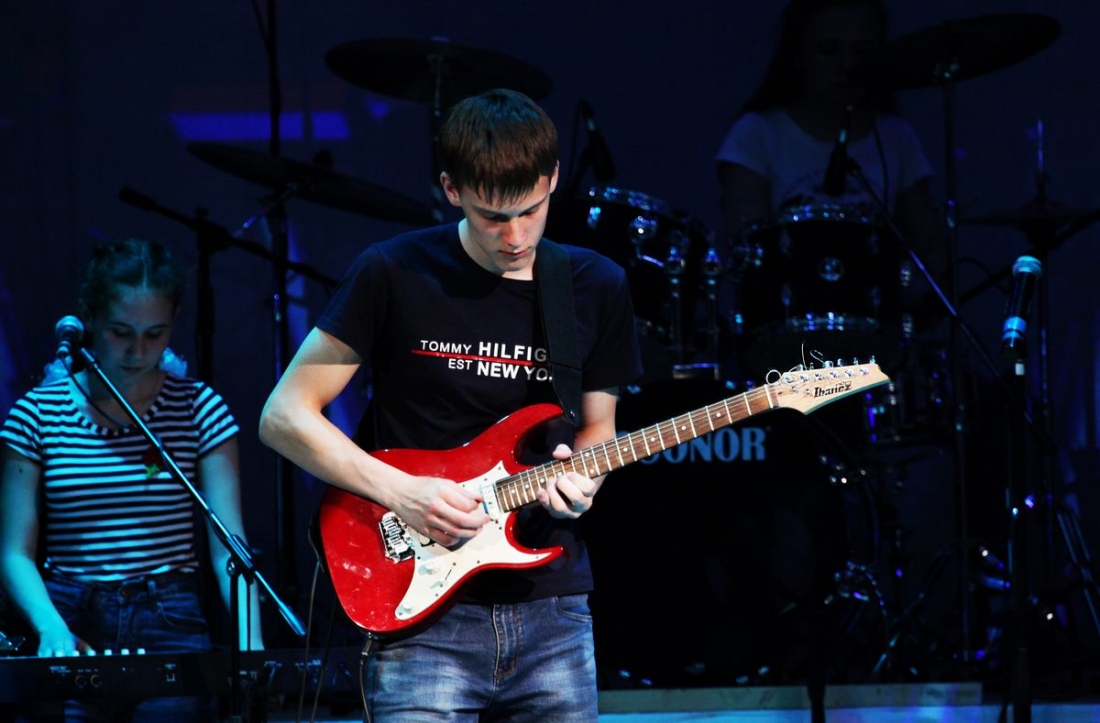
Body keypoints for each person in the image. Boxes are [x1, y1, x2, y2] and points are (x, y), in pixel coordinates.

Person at [259, 88, 643, 721]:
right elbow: (284, 416)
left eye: (531, 210)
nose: (515, 236)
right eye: (493, 217)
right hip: (420, 611)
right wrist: (402, 492)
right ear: (451, 189)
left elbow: (599, 428)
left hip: (551, 609)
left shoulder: (595, 285)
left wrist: (584, 483)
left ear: (553, 179)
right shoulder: (393, 271)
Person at [0, 237, 264, 721]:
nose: (137, 351)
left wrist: (252, 646)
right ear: (90, 319)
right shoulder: (37, 414)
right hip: (70, 615)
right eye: (120, 332)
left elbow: (230, 550)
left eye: (155, 334)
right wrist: (49, 627)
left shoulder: (199, 409)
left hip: (169, 616)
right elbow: (13, 552)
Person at [715, 0, 948, 381]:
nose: (846, 65)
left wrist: (918, 298)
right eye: (829, 50)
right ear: (798, 55)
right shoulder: (757, 134)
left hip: (877, 349)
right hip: (785, 350)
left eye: (861, 52)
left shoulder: (896, 138)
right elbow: (744, 243)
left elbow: (931, 244)